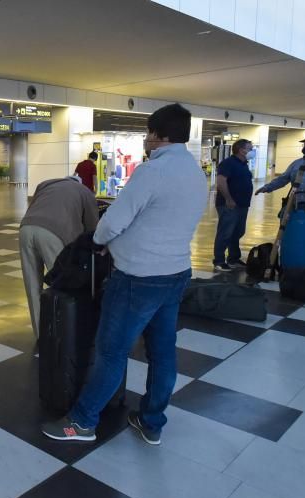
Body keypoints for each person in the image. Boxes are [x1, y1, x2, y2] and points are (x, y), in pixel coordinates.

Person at [41, 103, 207, 446]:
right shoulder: (194, 171)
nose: (147, 140)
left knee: (111, 352)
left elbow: (114, 221)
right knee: (162, 352)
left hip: (138, 278)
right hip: (176, 273)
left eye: (148, 133)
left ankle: (82, 422)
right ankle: (152, 422)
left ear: (158, 135)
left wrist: (100, 241)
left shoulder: (152, 171)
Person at [20, 176, 99, 338]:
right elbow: (93, 228)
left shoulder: (44, 184)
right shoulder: (85, 192)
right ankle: (64, 332)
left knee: (32, 284)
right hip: (53, 233)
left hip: (26, 228)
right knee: (63, 283)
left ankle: (40, 335)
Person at [213, 139, 254, 272]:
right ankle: (219, 260)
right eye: (250, 148)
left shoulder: (244, 164)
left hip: (242, 204)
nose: (252, 151)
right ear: (241, 150)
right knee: (225, 232)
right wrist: (228, 199)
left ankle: (234, 258)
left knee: (238, 232)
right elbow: (221, 181)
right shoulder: (228, 163)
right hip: (229, 205)